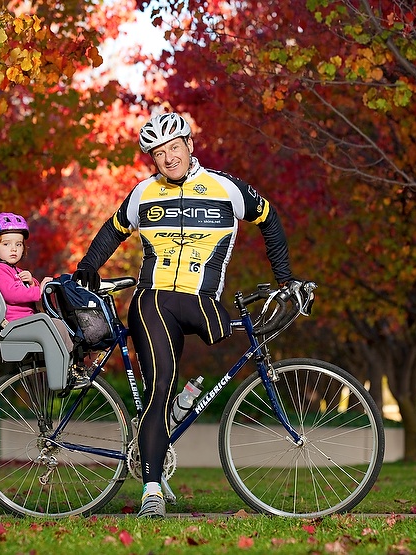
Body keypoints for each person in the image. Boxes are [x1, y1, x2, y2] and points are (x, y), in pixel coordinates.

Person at [72, 112, 300, 518]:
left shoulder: (224, 187)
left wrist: (283, 279)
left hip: (202, 300)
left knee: (227, 330)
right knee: (159, 386)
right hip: (152, 300)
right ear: (153, 160)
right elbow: (112, 229)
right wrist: (89, 264)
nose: (168, 158)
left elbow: (270, 218)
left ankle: (180, 407)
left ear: (190, 145)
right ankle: (152, 491)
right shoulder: (143, 192)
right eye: (159, 153)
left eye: (174, 148)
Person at [0, 212, 74, 354]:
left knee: (59, 325)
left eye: (18, 244)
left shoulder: (9, 269)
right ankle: (70, 366)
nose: (13, 249)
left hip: (23, 321)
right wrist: (39, 291)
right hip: (14, 324)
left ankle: (70, 362)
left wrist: (32, 282)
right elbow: (13, 293)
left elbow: (20, 288)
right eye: (6, 244)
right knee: (57, 326)